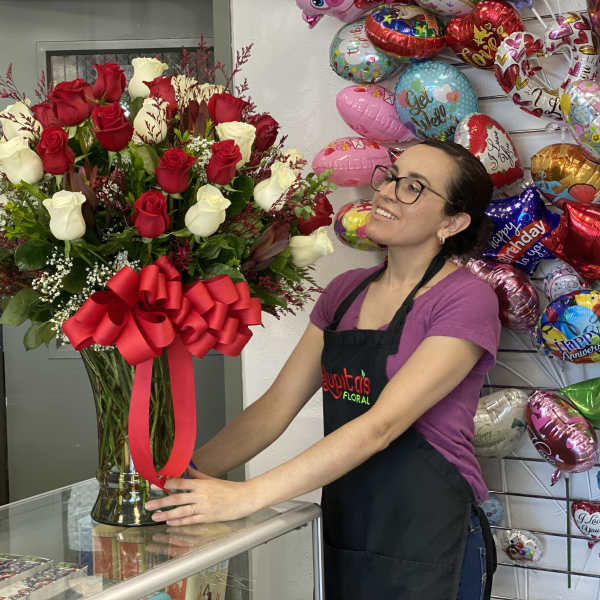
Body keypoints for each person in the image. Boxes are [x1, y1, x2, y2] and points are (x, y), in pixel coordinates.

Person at [145, 139, 502, 600]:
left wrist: (247, 496)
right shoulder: (344, 292)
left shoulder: (466, 299)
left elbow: (380, 427)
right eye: (391, 176)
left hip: (430, 536)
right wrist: (177, 478)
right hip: (348, 529)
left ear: (452, 222)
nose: (387, 191)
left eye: (413, 187)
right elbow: (276, 407)